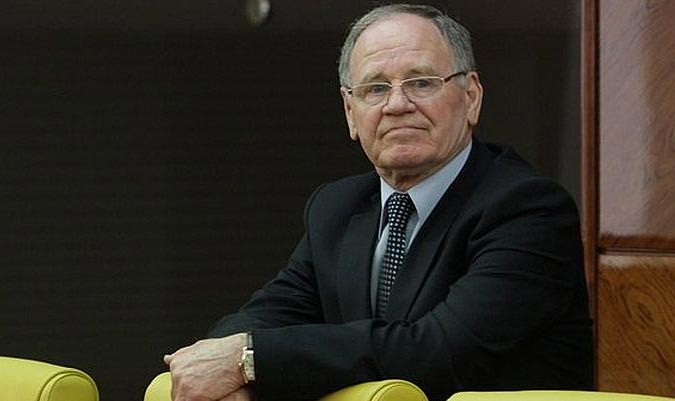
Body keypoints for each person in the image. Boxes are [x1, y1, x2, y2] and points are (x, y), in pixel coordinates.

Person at [163, 4, 593, 401]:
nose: (397, 104)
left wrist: (250, 362)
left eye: (421, 82)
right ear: (351, 112)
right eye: (375, 88)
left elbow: (438, 352)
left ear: (471, 97)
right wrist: (232, 369)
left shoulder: (528, 210)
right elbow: (267, 314)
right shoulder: (337, 207)